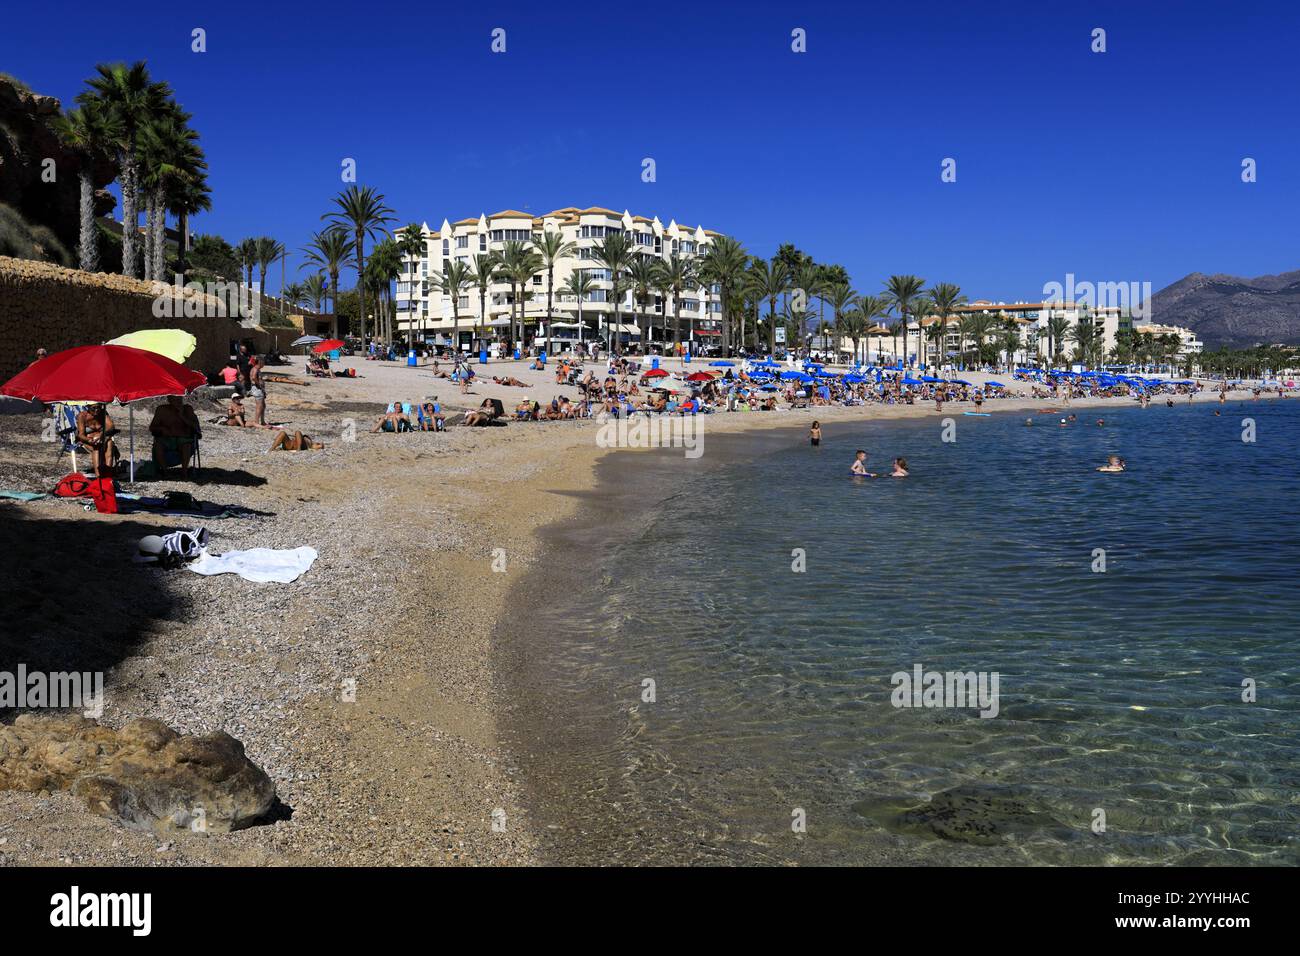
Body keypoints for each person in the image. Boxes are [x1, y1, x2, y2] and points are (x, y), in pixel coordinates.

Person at [149, 395, 202, 476]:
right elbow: (152, 427)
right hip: (167, 439)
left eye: (179, 398)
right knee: (158, 446)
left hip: (184, 439)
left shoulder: (187, 409)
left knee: (186, 446)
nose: (178, 401)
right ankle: (165, 471)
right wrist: (162, 429)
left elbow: (195, 426)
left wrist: (182, 416)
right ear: (169, 400)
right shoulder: (162, 410)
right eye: (175, 399)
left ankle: (184, 472)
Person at [75, 403, 119, 476]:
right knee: (96, 447)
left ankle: (108, 474)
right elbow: (81, 435)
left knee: (110, 443)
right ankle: (98, 475)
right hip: (87, 440)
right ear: (88, 407)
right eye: (93, 408)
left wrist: (101, 434)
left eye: (98, 407)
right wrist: (89, 440)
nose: (96, 410)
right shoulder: (82, 416)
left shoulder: (103, 413)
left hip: (102, 438)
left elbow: (111, 426)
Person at [248, 355, 268, 426]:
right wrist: (259, 384)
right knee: (259, 406)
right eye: (263, 362)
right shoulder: (255, 369)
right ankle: (256, 422)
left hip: (259, 389)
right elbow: (253, 378)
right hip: (257, 389)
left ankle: (262, 421)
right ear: (260, 362)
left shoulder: (256, 369)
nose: (264, 363)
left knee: (263, 405)